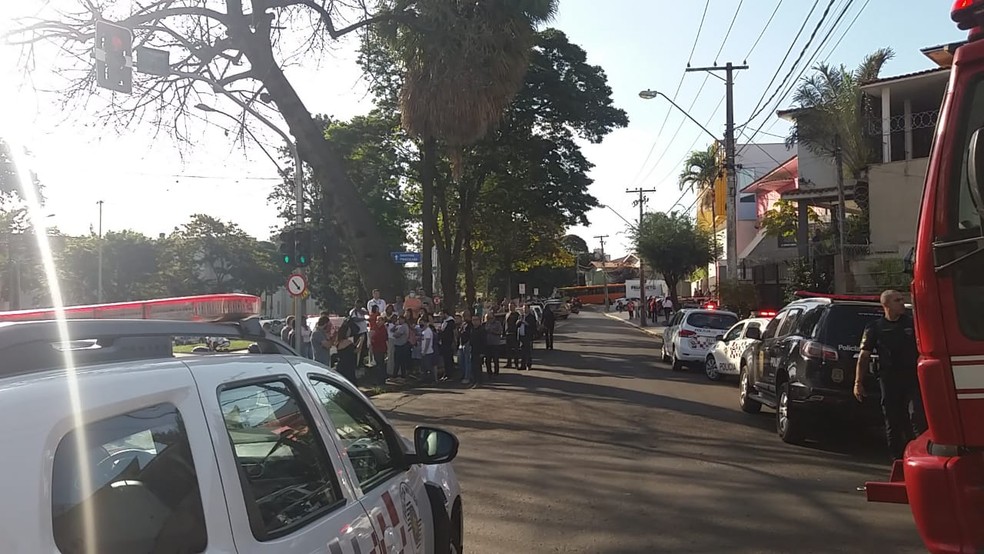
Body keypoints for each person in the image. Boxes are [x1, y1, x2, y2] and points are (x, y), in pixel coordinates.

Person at [855, 290, 927, 462]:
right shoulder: (875, 328)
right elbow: (864, 356)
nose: (902, 303)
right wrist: (858, 382)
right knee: (892, 420)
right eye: (897, 300)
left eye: (902, 300)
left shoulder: (912, 324)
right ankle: (897, 459)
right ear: (886, 305)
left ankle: (921, 455)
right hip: (889, 379)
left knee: (916, 415)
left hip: (912, 377)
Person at [334, 314, 361, 385]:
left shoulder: (338, 342)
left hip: (341, 365)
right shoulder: (348, 342)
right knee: (351, 382)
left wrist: (357, 342)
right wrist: (361, 341)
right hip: (348, 365)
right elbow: (356, 350)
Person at [389, 314, 411, 379]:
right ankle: (402, 375)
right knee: (401, 362)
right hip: (401, 345)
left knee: (398, 361)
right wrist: (395, 326)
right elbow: (391, 330)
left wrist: (395, 334)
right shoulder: (399, 326)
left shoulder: (403, 326)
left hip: (401, 345)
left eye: (400, 319)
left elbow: (397, 335)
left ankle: (395, 375)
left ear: (403, 320)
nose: (399, 320)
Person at [370, 316, 389, 385]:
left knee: (380, 364)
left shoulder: (384, 329)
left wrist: (388, 350)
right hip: (375, 348)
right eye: (377, 320)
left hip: (381, 349)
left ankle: (381, 380)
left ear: (383, 321)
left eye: (379, 320)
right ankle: (379, 379)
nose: (378, 322)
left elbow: (385, 339)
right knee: (378, 364)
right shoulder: (375, 328)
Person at [483, 313, 503, 377]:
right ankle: (489, 372)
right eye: (488, 318)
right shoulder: (484, 324)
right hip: (487, 344)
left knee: (495, 359)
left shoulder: (497, 323)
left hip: (495, 344)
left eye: (490, 318)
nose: (489, 320)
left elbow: (500, 332)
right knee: (487, 360)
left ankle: (496, 372)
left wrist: (492, 331)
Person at [518, 305, 537, 371]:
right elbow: (517, 324)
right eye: (523, 308)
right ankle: (522, 365)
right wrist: (519, 321)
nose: (524, 310)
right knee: (522, 351)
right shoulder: (521, 316)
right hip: (521, 336)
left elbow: (534, 326)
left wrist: (527, 323)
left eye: (525, 308)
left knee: (527, 351)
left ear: (529, 309)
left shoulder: (531, 317)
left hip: (528, 336)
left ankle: (528, 365)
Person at [419, 316, 437, 383]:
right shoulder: (423, 331)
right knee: (424, 368)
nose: (421, 325)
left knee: (429, 367)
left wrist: (425, 351)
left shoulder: (428, 331)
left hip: (428, 352)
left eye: (422, 323)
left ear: (426, 323)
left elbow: (428, 342)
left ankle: (433, 380)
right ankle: (425, 380)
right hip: (424, 352)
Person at [468, 314, 485, 384]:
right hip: (473, 350)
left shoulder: (482, 330)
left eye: (476, 320)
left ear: (479, 321)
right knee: (473, 367)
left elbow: (484, 342)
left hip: (479, 351)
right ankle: (474, 380)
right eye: (473, 320)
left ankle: (479, 381)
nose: (474, 322)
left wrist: (482, 352)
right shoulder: (472, 329)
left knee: (478, 367)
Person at [458, 313, 473, 385]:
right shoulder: (463, 324)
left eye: (465, 316)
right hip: (461, 343)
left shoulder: (470, 324)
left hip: (467, 343)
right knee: (461, 361)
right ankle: (462, 375)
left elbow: (469, 334)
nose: (464, 317)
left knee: (467, 361)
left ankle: (467, 377)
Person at [504, 303, 520, 369]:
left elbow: (519, 324)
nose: (510, 307)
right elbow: (504, 324)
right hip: (508, 334)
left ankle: (516, 364)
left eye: (512, 306)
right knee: (508, 350)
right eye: (509, 306)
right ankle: (509, 363)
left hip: (514, 334)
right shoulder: (507, 314)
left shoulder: (517, 314)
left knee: (516, 350)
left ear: (514, 307)